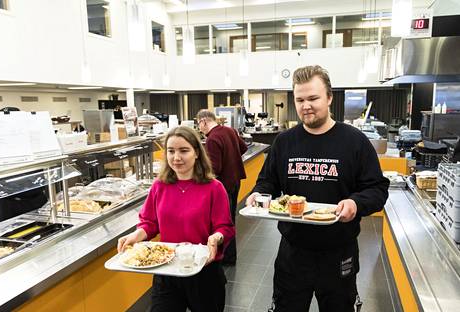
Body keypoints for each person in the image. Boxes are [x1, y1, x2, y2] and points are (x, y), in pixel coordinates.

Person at [246, 65, 389, 312]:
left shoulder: (354, 141)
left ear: (330, 97)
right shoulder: (285, 142)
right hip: (293, 252)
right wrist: (259, 194)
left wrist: (356, 203)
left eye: (313, 98)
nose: (305, 106)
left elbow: (377, 189)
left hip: (338, 252)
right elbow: (268, 180)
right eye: (300, 99)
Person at [118, 126, 235, 312]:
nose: (176, 157)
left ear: (197, 152)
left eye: (183, 150)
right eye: (171, 151)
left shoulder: (214, 187)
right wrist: (136, 235)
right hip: (167, 270)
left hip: (204, 272)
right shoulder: (159, 186)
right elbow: (150, 222)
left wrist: (215, 238)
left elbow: (225, 227)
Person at [197, 109, 248, 265]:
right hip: (235, 181)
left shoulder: (212, 139)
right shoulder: (229, 130)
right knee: (231, 219)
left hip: (223, 186)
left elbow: (215, 169)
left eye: (198, 123)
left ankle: (227, 257)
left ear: (204, 121)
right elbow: (244, 148)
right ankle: (230, 256)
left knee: (224, 223)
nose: (199, 128)